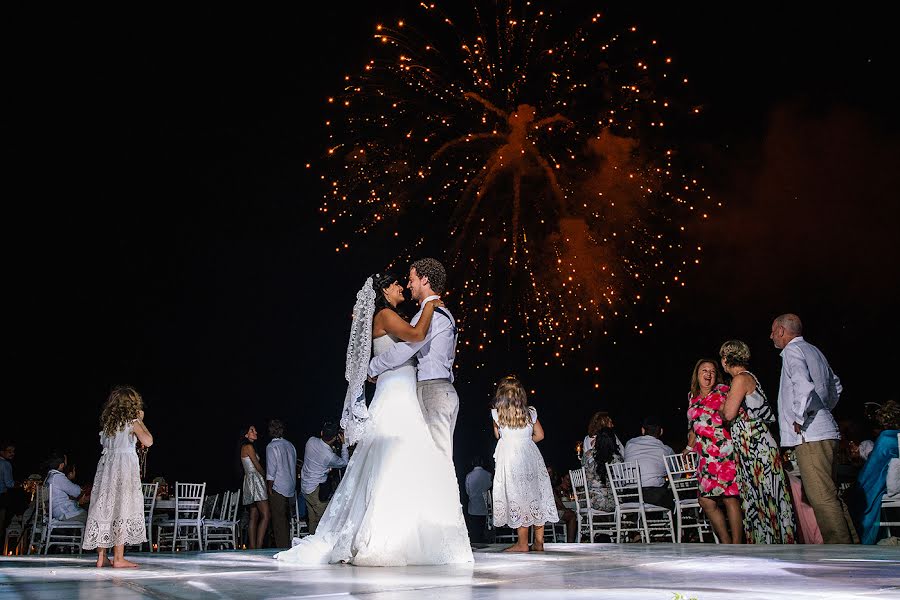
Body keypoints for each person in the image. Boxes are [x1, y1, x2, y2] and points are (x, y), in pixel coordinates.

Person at [275, 272, 472, 565]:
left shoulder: (388, 316)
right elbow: (417, 336)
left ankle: (407, 528)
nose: (401, 286)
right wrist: (431, 302)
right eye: (395, 284)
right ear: (384, 290)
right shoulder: (385, 315)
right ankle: (383, 532)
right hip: (396, 391)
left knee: (403, 458)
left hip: (402, 388)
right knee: (390, 458)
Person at [770, 313, 857, 543]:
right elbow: (836, 385)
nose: (771, 337)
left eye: (772, 332)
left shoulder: (791, 351)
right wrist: (823, 409)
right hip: (825, 430)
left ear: (781, 330)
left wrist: (801, 416)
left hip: (811, 434)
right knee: (830, 495)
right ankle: (854, 550)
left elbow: (804, 386)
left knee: (822, 498)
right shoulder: (814, 350)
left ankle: (841, 555)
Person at [369, 258, 460, 462]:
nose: (407, 284)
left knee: (436, 458)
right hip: (441, 389)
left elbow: (405, 349)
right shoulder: (440, 312)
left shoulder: (432, 314)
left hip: (432, 391)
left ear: (425, 280)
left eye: (411, 279)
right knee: (436, 456)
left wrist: (372, 367)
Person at [719, 340, 796, 544]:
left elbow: (728, 413)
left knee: (764, 493)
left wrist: (721, 408)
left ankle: (769, 542)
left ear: (726, 359)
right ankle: (768, 540)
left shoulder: (740, 379)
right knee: (760, 494)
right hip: (751, 446)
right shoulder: (746, 378)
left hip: (756, 447)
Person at [82, 385, 153, 568]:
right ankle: (119, 558)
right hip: (124, 468)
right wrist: (140, 420)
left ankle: (101, 557)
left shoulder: (108, 426)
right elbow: (148, 441)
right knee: (122, 507)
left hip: (106, 468)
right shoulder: (132, 422)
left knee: (105, 507)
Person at [490, 376, 559, 552]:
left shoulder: (497, 413)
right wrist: (525, 443)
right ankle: (538, 542)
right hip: (530, 457)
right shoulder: (530, 412)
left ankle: (522, 544)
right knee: (536, 494)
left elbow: (498, 436)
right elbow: (541, 435)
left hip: (511, 460)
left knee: (519, 496)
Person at [685, 359, 741, 543]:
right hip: (704, 457)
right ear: (697, 374)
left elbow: (732, 415)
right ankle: (726, 542)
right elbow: (693, 427)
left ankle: (737, 545)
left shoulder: (723, 391)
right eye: (704, 370)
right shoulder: (692, 397)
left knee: (729, 498)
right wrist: (688, 448)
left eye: (712, 371)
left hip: (724, 452)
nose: (708, 374)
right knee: (706, 501)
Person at [849, 400, 900, 544]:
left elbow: (873, 469)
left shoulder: (886, 438)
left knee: (857, 496)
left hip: (887, 486)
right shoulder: (894, 438)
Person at [300, 420, 349, 535]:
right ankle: (319, 544)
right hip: (316, 490)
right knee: (323, 521)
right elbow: (344, 462)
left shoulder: (310, 441)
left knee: (312, 520)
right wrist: (344, 444)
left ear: (322, 433)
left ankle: (311, 544)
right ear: (334, 438)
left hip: (305, 487)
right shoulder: (329, 456)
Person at [623, 416, 675, 511]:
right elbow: (674, 474)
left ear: (643, 430)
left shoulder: (629, 444)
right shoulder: (666, 450)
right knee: (673, 499)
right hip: (652, 496)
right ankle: (673, 525)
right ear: (661, 431)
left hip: (629, 495)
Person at [581, 411, 624, 510]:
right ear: (604, 423)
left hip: (588, 497)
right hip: (606, 493)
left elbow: (585, 465)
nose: (612, 425)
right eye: (610, 422)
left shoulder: (587, 441)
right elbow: (622, 460)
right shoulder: (610, 439)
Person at [265, 419, 297, 549]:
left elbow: (271, 470)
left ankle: (282, 548)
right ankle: (287, 545)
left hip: (278, 486)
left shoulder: (271, 447)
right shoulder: (290, 445)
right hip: (291, 486)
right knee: (287, 520)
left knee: (279, 521)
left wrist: (269, 487)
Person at [239, 425, 269, 549]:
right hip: (255, 480)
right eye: (252, 430)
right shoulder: (248, 447)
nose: (255, 432)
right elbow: (257, 466)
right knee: (266, 515)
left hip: (249, 480)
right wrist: (267, 478)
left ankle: (253, 547)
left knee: (254, 515)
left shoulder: (245, 447)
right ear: (246, 435)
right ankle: (259, 545)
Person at [43, 452, 88, 524]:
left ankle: (75, 534)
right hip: (62, 513)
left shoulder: (49, 477)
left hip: (56, 512)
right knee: (89, 517)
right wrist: (82, 489)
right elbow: (76, 491)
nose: (65, 465)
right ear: (61, 465)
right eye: (65, 463)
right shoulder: (57, 477)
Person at [590, 427, 623, 513]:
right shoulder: (615, 459)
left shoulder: (587, 456)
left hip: (588, 501)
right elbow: (620, 484)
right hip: (608, 502)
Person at [464, 455, 492, 543]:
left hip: (473, 506)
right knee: (484, 525)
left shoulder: (469, 476)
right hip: (485, 505)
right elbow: (490, 488)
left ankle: (476, 541)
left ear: (473, 463)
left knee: (475, 527)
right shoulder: (488, 475)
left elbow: (467, 491)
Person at [547, 465, 579, 542]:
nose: (549, 475)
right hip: (547, 513)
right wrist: (564, 508)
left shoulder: (550, 485)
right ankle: (571, 543)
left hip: (551, 510)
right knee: (572, 515)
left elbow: (557, 501)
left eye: (550, 473)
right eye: (548, 473)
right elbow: (556, 501)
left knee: (573, 514)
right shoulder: (553, 488)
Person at [0, 441, 16, 547]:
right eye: (9, 451)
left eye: (13, 452)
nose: (12, 454)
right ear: (2, 452)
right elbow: (9, 484)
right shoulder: (5, 464)